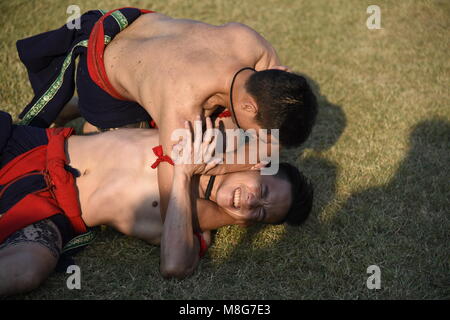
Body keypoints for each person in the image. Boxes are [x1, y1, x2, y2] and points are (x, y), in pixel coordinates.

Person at [16, 7, 318, 225]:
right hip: (104, 80)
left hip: (131, 23)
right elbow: (171, 207)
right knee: (131, 142)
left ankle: (87, 105)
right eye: (262, 133)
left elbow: (272, 144)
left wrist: (233, 160)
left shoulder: (250, 44)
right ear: (250, 107)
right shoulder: (182, 107)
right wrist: (209, 167)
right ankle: (82, 108)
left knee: (221, 130)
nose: (265, 145)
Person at [0, 111, 314, 296]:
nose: (250, 203)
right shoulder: (207, 135)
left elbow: (174, 266)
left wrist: (182, 175)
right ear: (257, 167)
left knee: (27, 271)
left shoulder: (190, 224)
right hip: (34, 147)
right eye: (263, 191)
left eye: (259, 213)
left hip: (51, 214)